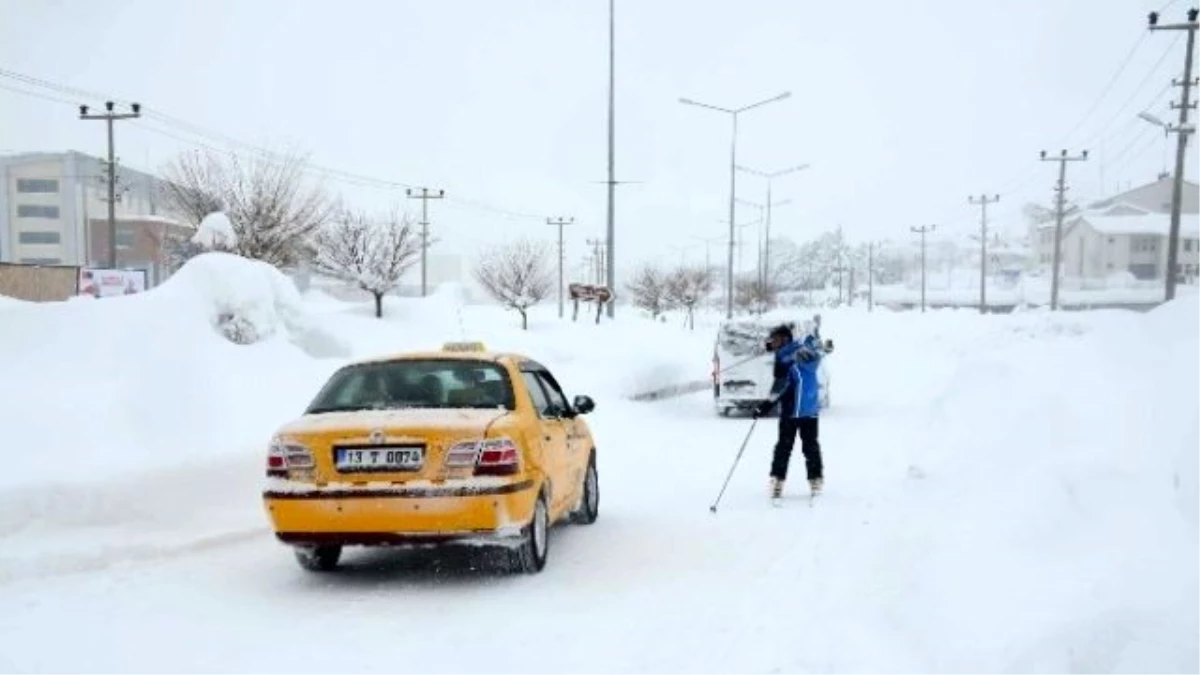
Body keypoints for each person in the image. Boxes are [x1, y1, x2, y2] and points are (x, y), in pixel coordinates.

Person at [753, 324, 824, 499]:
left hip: (792, 411)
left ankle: (778, 481)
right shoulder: (798, 350)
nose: (772, 343)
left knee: (785, 447)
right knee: (809, 446)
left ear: (785, 339)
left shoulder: (785, 356)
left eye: (775, 340)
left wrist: (765, 406)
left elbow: (781, 385)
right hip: (809, 410)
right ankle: (815, 480)